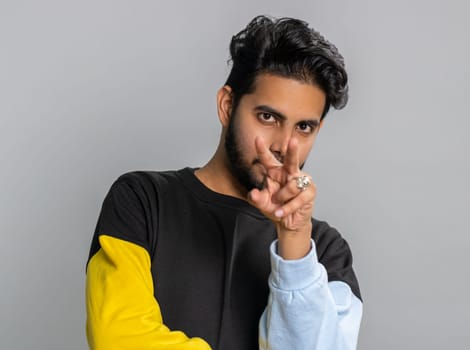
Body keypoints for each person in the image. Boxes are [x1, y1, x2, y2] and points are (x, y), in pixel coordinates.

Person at [86, 15, 362, 350]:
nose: (283, 144)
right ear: (227, 106)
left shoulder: (326, 251)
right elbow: (118, 338)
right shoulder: (142, 201)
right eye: (268, 117)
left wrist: (294, 243)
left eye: (303, 127)